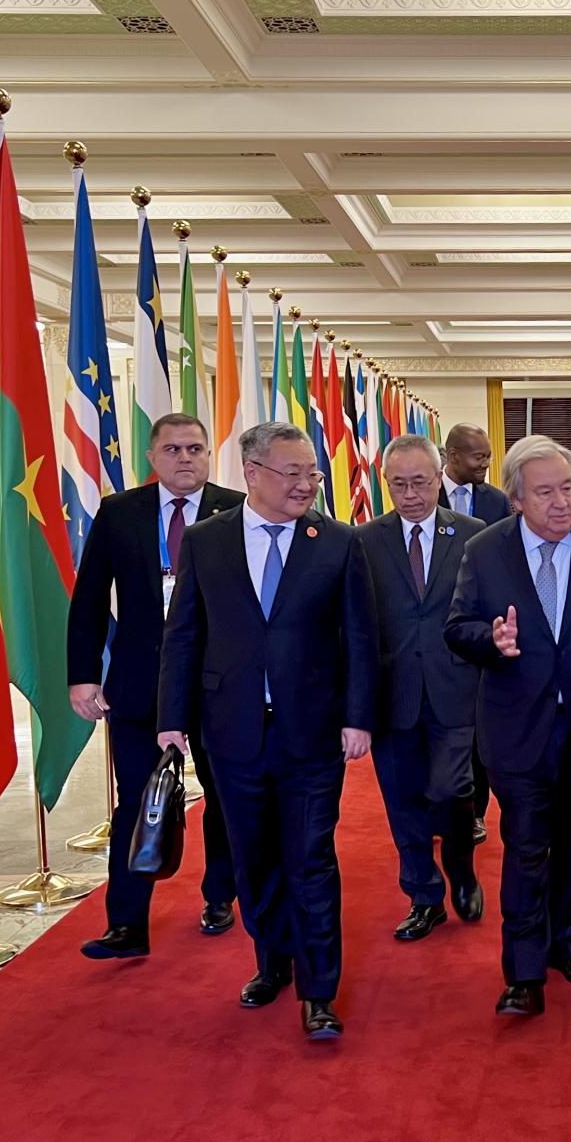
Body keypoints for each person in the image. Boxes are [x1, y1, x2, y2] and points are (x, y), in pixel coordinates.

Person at [158, 422, 377, 1043]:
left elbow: (361, 637)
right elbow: (184, 635)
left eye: (313, 473)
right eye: (293, 473)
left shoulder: (338, 543)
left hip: (312, 734)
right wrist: (171, 719)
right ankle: (271, 960)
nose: (307, 484)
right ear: (252, 473)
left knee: (310, 859)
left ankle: (319, 991)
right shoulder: (206, 542)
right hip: (231, 733)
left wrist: (358, 716)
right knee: (254, 860)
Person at [445, 435, 571, 1019]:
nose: (562, 504)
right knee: (527, 847)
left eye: (567, 489)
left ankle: (568, 944)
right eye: (545, 493)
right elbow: (458, 627)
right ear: (515, 500)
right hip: (517, 729)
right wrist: (494, 641)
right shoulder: (485, 551)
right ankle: (524, 973)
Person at [67, 412, 240, 961]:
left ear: (209, 454)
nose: (185, 458)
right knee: (136, 806)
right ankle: (126, 924)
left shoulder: (236, 509)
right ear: (152, 457)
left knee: (225, 801)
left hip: (218, 684)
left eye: (195, 448)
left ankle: (220, 897)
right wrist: (82, 674)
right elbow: (90, 598)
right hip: (141, 684)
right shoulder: (120, 513)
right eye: (172, 449)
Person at [357, 435, 486, 939]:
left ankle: (462, 871)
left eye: (419, 482)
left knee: (453, 790)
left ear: (439, 478)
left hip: (457, 688)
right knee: (402, 798)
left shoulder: (475, 535)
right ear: (385, 483)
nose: (410, 494)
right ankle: (423, 895)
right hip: (393, 695)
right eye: (398, 484)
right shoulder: (364, 541)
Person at [437, 421, 509, 845]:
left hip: (479, 633)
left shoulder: (496, 501)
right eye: (478, 456)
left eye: (488, 456)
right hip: (432, 631)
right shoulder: (428, 493)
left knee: (476, 730)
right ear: (452, 456)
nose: (485, 463)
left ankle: (475, 812)